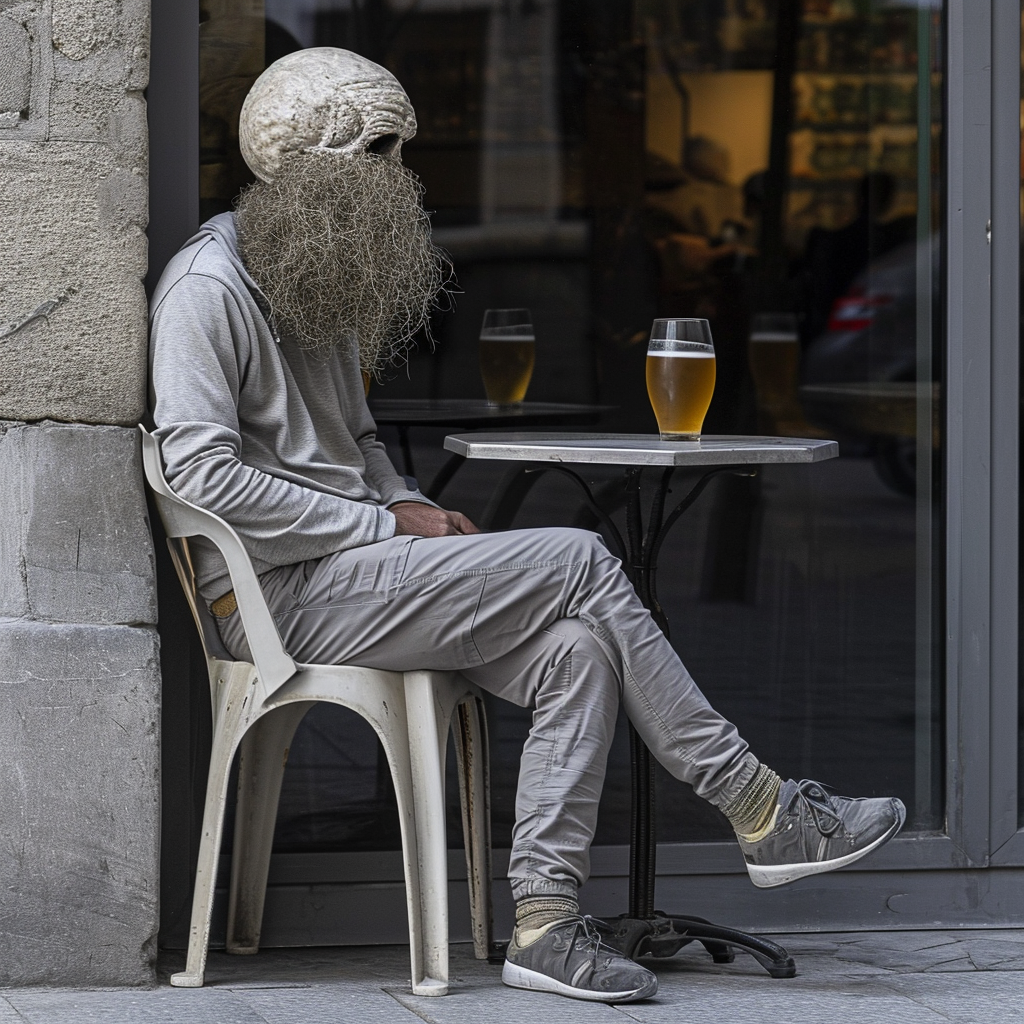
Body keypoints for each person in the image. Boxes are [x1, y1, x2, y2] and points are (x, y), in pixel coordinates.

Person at [149, 48, 906, 1005]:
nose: (399, 177)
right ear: (314, 153)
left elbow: (364, 441)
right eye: (381, 150)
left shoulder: (312, 278)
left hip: (356, 572)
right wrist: (380, 526)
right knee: (583, 556)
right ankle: (758, 805)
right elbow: (199, 474)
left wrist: (403, 502)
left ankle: (545, 926)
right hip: (275, 594)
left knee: (578, 650)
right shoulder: (207, 290)